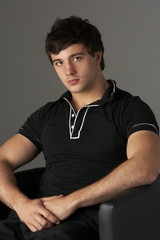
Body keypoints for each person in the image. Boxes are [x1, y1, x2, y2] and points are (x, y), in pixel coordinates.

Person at [0, 16, 160, 240]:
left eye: (76, 58)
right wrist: (22, 205)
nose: (68, 71)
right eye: (59, 62)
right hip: (32, 218)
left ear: (97, 56)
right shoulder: (47, 114)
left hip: (86, 224)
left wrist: (71, 202)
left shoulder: (131, 109)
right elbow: (2, 159)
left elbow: (146, 167)